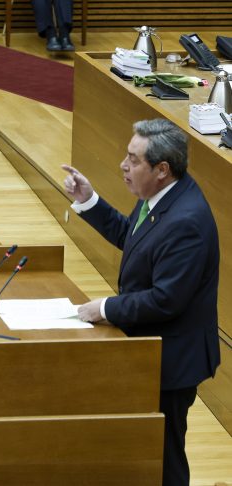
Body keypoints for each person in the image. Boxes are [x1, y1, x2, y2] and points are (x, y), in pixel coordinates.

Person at [62, 119, 220, 486]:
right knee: (144, 450)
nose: (123, 165)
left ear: (162, 169)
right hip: (150, 349)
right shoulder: (162, 197)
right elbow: (132, 238)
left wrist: (104, 308)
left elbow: (166, 299)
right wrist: (89, 201)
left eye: (133, 160)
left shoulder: (187, 222)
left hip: (172, 360)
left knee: (164, 458)